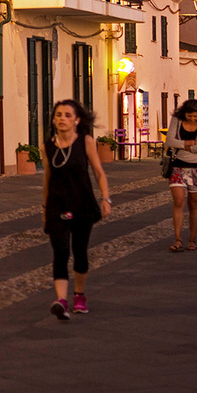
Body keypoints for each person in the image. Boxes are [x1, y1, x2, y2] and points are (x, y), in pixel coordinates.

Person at [41, 99, 112, 319]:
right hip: (57, 205)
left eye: (67, 115)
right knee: (61, 251)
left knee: (80, 251)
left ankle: (79, 295)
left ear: (77, 120)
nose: (62, 119)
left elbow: (99, 172)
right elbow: (47, 178)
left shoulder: (86, 142)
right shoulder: (47, 146)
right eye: (59, 115)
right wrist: (44, 208)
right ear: (53, 119)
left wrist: (106, 198)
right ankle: (61, 300)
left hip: (82, 204)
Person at [163, 99, 197, 251]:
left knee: (194, 204)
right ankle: (178, 239)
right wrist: (190, 143)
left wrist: (182, 144)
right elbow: (169, 141)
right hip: (177, 166)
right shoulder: (177, 120)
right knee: (178, 202)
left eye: (195, 117)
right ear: (184, 113)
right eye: (189, 116)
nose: (192, 119)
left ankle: (192, 239)